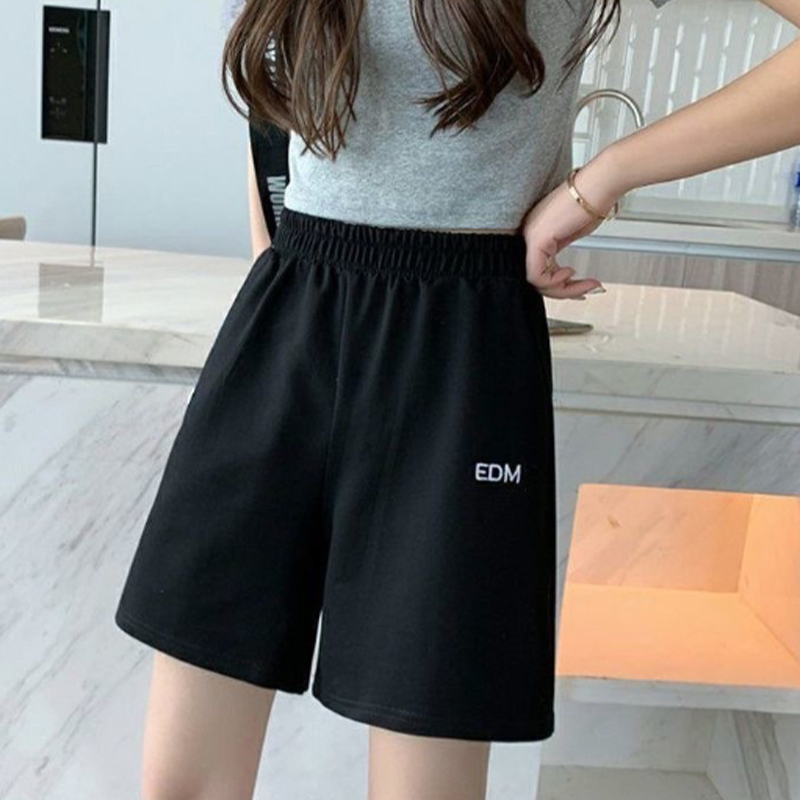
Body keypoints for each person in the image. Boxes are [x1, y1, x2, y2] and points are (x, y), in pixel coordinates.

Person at [114, 1, 800, 798]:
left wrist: (602, 179)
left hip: (461, 349)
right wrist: (270, 258)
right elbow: (277, 115)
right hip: (284, 322)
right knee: (182, 785)